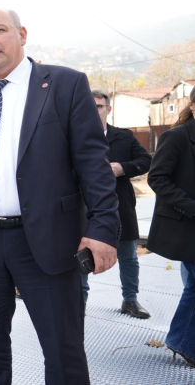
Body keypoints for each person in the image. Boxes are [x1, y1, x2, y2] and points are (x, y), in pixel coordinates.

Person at [0, 9, 120, 384]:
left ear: (22, 34)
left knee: (63, 351)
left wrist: (102, 229)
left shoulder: (65, 85)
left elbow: (93, 165)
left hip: (49, 241)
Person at [81, 89, 151, 318]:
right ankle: (79, 302)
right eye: (90, 106)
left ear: (108, 109)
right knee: (81, 256)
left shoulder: (124, 137)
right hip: (84, 207)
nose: (94, 111)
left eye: (99, 106)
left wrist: (122, 168)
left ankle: (130, 300)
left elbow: (146, 160)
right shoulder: (75, 136)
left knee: (128, 256)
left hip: (121, 206)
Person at [147, 88, 195, 367]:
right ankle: (183, 342)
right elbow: (157, 179)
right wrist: (191, 206)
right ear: (193, 106)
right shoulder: (175, 137)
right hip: (186, 224)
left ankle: (182, 340)